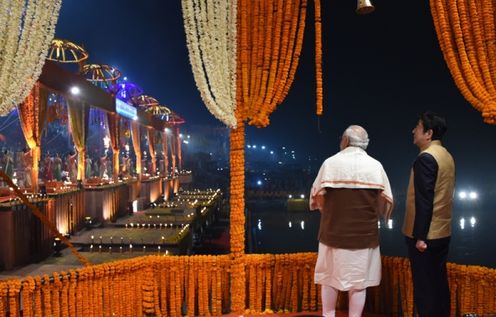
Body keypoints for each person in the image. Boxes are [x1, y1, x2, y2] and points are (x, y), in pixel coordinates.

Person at [310, 125, 393, 317]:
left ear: (345, 141)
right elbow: (385, 203)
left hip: (333, 233)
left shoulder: (330, 163)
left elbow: (317, 198)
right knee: (359, 284)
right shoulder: (376, 166)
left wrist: (330, 212)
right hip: (364, 237)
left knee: (329, 280)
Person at [402, 111, 455, 317]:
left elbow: (424, 200)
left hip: (426, 237)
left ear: (428, 133)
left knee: (425, 290)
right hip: (443, 232)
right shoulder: (447, 156)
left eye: (417, 127)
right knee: (439, 285)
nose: (413, 130)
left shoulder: (426, 158)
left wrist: (420, 237)